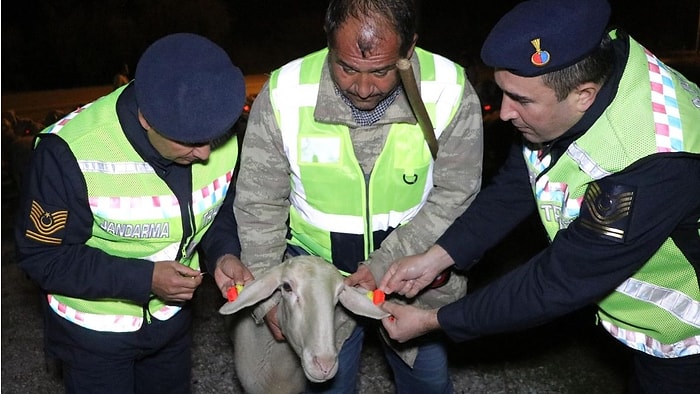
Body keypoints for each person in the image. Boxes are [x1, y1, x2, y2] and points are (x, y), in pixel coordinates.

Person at [377, 0, 700, 392]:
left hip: (685, 340)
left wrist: (434, 321)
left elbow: (556, 281)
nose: (507, 113)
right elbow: (521, 179)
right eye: (503, 93)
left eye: (521, 101)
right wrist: (439, 256)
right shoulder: (590, 61)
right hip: (643, 329)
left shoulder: (646, 165)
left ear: (584, 94)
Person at [233, 0, 484, 392]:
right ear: (328, 42)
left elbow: (457, 193)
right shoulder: (284, 93)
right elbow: (258, 203)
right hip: (318, 285)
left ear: (409, 48)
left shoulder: (448, 90)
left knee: (427, 383)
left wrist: (386, 262)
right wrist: (268, 297)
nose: (363, 88)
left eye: (382, 71)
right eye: (347, 67)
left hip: (413, 281)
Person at [14, 32, 254, 394]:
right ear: (145, 118)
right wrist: (145, 279)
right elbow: (43, 257)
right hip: (94, 340)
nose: (205, 154)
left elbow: (217, 204)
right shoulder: (68, 152)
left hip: (171, 328)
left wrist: (224, 253)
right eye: (189, 142)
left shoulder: (214, 129)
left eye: (213, 137)